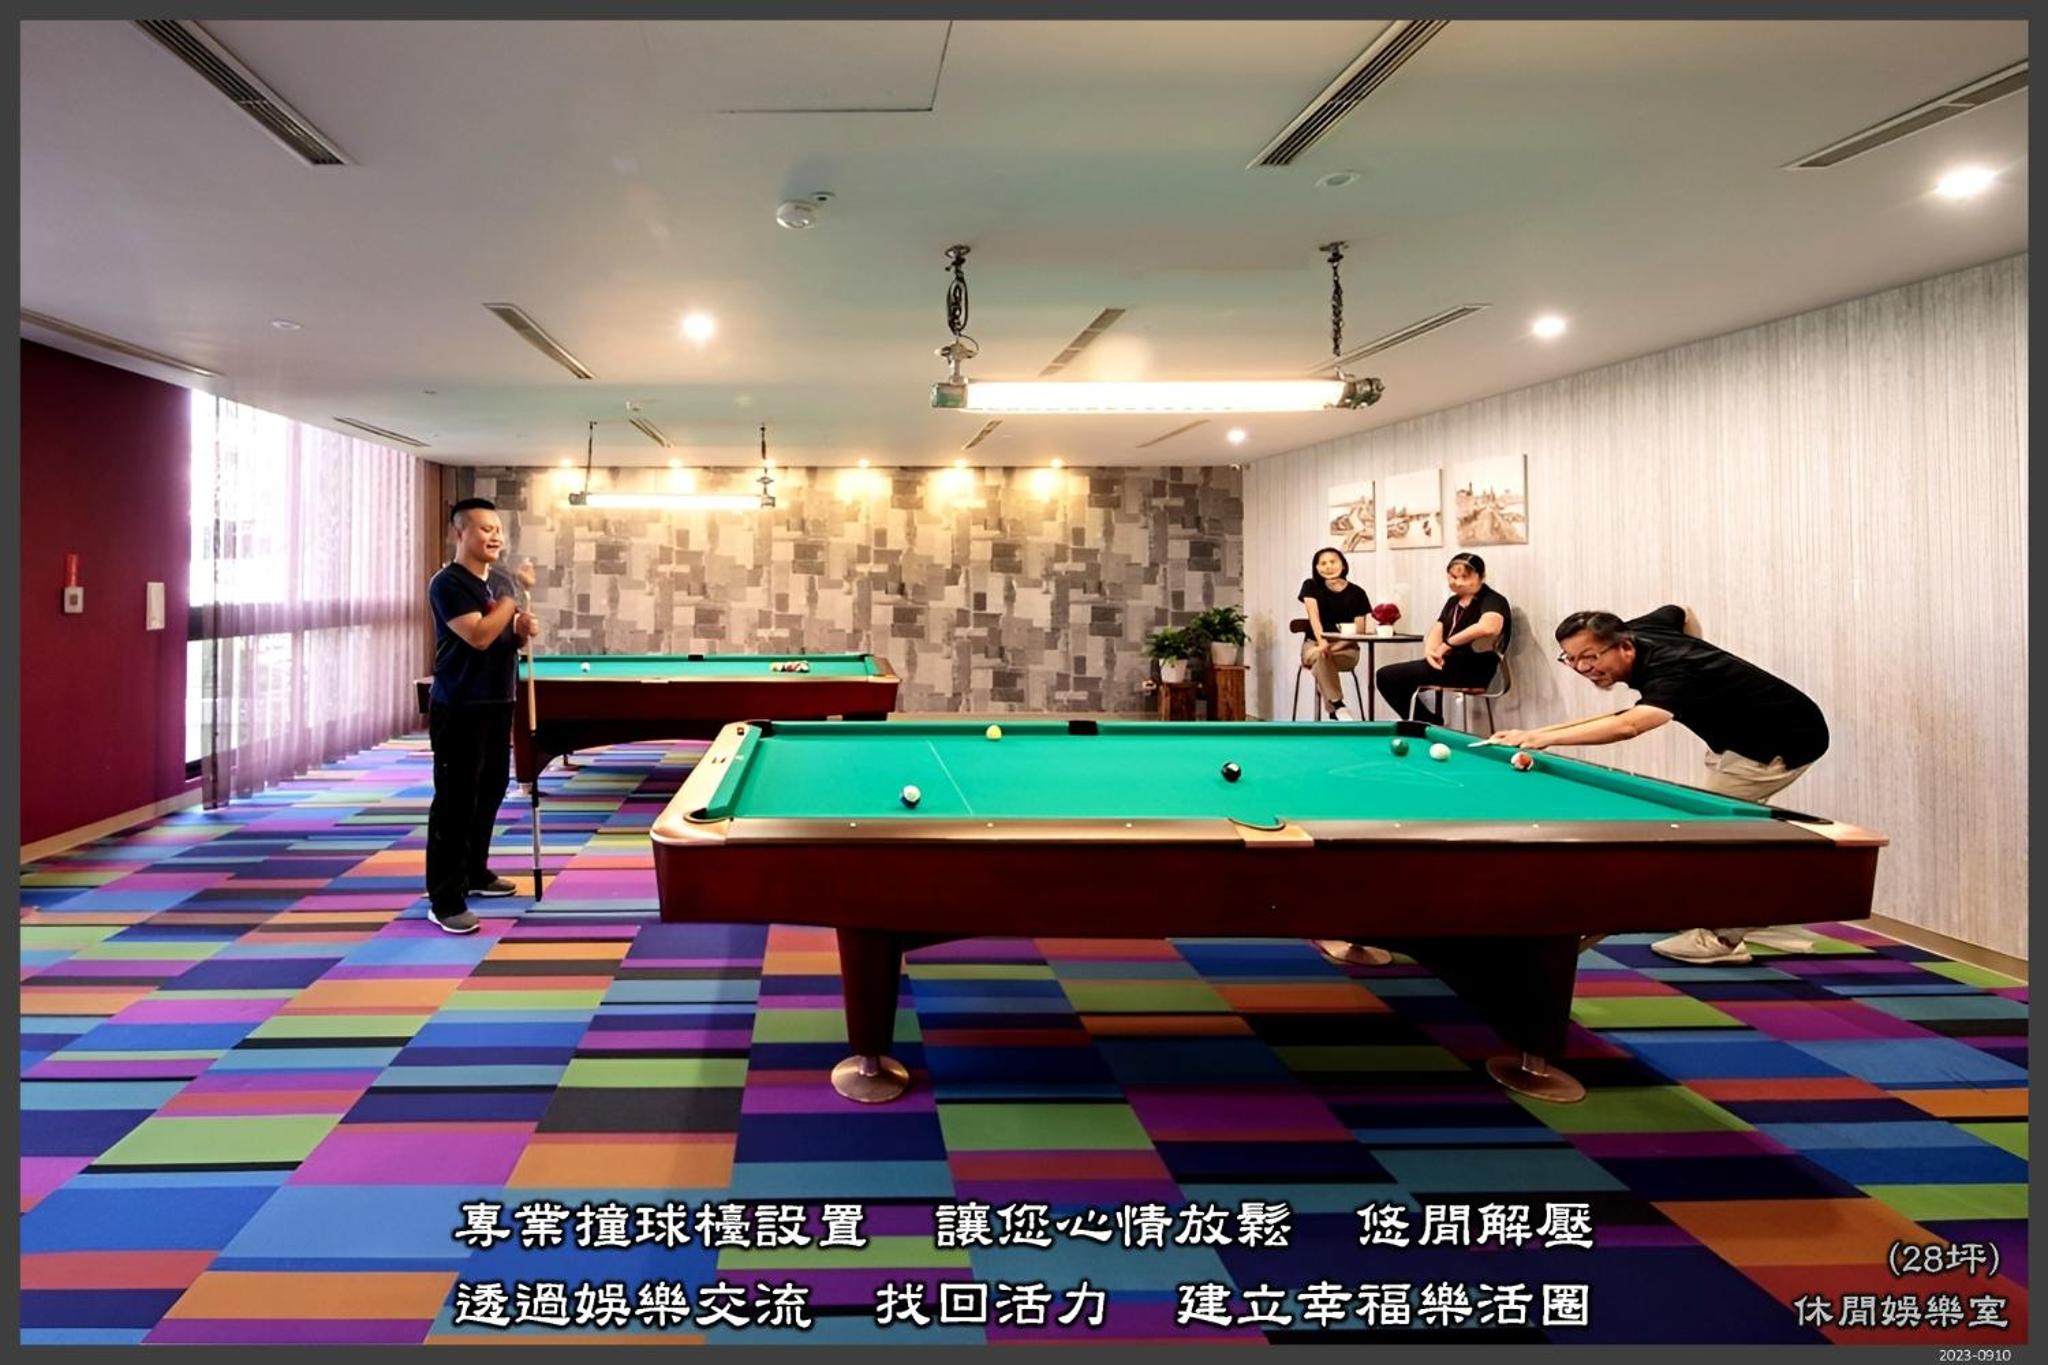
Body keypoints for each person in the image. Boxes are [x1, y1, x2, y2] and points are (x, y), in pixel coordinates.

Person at [1488, 606, 1830, 965]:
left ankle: (1723, 938)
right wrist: (1535, 734)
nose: (1582, 667)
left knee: (1709, 838)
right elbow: (1681, 611)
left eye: (1590, 657)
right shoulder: (1638, 630)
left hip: (1778, 741)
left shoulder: (1673, 670)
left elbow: (1629, 725)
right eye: (1571, 658)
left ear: (1625, 647)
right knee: (1717, 832)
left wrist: (1544, 738)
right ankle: (1750, 914)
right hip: (1737, 736)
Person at [424, 498, 539, 934]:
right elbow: (476, 635)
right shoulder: (448, 583)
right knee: (455, 802)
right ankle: (445, 899)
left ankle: (475, 872)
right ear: (460, 533)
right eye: (485, 529)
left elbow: (500, 638)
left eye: (498, 529)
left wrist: (519, 632)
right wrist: (513, 599)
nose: (495, 536)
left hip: (497, 701)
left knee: (489, 791)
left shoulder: (496, 584)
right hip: (460, 706)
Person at [1376, 552, 1510, 725]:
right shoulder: (1453, 601)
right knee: (1388, 677)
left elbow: (1489, 626)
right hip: (1448, 664)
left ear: (1481, 577)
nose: (1458, 582)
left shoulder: (1493, 600)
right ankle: (1426, 722)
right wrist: (1431, 652)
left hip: (1474, 668)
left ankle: (1426, 723)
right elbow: (1438, 627)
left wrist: (1448, 644)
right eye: (1453, 577)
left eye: (1465, 577)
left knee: (1388, 677)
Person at [1298, 547, 1373, 721]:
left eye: (1333, 562)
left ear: (1343, 565)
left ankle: (1334, 710)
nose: (1328, 566)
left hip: (1347, 649)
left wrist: (1332, 648)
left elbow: (1359, 630)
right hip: (1314, 644)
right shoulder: (1311, 586)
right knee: (1321, 656)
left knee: (1321, 657)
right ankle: (1338, 705)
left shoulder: (1358, 593)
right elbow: (1314, 619)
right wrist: (1322, 643)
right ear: (1316, 567)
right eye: (1322, 563)